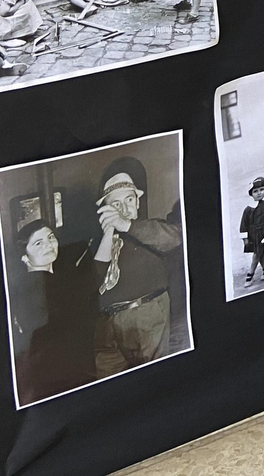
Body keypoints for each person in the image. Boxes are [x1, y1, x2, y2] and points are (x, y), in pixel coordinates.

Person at [92, 158, 183, 375]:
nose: (124, 208)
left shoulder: (150, 230)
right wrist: (108, 232)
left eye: (129, 200)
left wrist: (126, 225)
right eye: (116, 204)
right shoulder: (101, 241)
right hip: (109, 326)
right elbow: (97, 280)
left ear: (138, 202)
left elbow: (175, 238)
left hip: (145, 318)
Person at [9, 219, 99, 404]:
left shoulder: (53, 280)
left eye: (51, 237)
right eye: (38, 243)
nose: (49, 245)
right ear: (24, 257)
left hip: (68, 371)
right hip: (53, 378)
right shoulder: (32, 288)